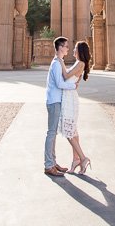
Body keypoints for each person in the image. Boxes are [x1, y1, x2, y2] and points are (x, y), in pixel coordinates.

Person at [44, 36, 78, 176]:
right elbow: (59, 83)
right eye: (66, 46)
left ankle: (52, 162)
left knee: (54, 133)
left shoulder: (59, 62)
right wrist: (73, 86)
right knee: (51, 133)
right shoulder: (56, 64)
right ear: (60, 48)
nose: (68, 48)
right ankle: (48, 165)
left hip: (56, 100)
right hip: (54, 101)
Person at [57, 40, 92, 174]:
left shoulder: (79, 63)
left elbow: (65, 76)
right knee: (73, 130)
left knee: (68, 130)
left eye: (75, 49)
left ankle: (83, 158)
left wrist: (60, 61)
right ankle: (75, 160)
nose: (73, 51)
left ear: (80, 51)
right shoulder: (80, 63)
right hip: (69, 97)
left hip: (70, 99)